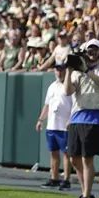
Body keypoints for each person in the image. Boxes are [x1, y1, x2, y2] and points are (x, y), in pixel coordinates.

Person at [64, 39, 99, 198]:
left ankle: (86, 196)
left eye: (96, 49)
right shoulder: (77, 71)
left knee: (87, 158)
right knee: (73, 158)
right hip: (77, 115)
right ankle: (86, 192)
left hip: (94, 115)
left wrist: (88, 70)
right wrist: (69, 71)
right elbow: (67, 91)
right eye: (89, 50)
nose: (93, 52)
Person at [36, 62, 73, 191]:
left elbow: (75, 105)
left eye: (61, 70)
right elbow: (47, 104)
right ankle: (54, 178)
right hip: (52, 124)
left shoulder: (70, 86)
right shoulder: (52, 86)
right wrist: (41, 119)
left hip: (64, 126)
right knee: (53, 152)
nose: (59, 72)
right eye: (57, 70)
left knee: (66, 153)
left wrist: (70, 120)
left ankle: (66, 179)